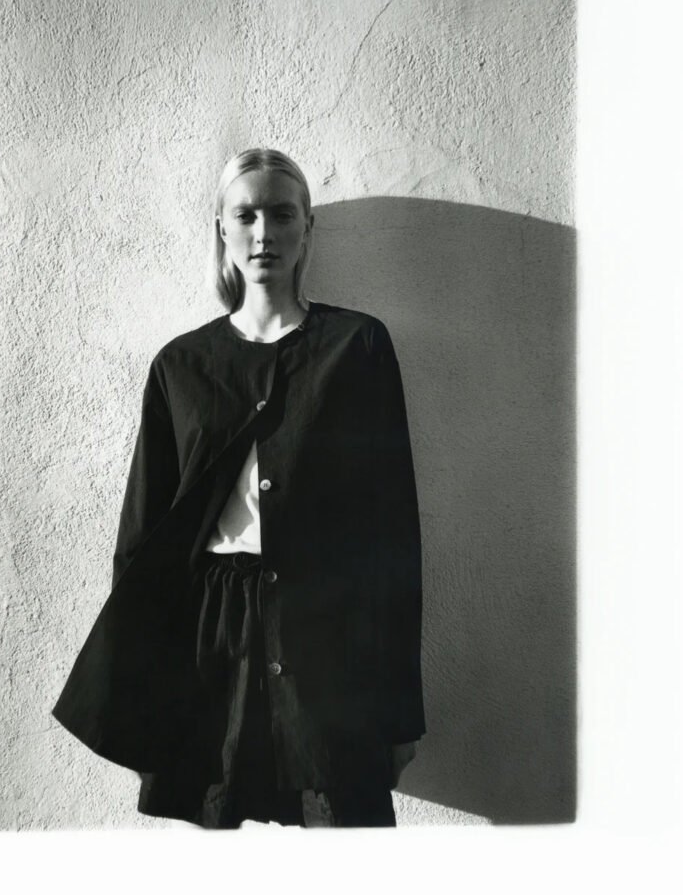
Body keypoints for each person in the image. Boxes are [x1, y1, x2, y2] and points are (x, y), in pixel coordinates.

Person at [52, 149, 426, 828]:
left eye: (281, 214)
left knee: (343, 829)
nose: (263, 232)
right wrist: (140, 699)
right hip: (210, 641)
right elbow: (141, 547)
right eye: (245, 214)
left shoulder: (357, 348)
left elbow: (392, 540)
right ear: (220, 228)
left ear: (306, 227)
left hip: (327, 636)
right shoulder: (181, 366)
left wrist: (399, 708)